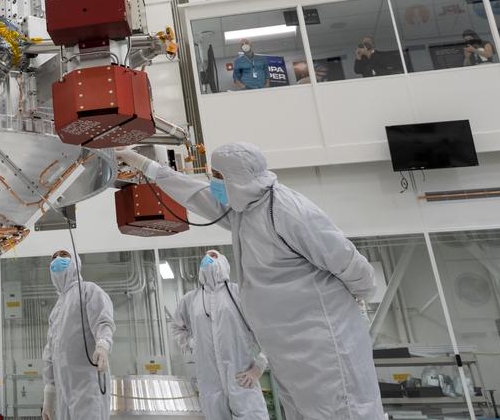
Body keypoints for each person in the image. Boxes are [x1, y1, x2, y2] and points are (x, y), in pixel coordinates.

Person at [119, 143, 382, 419]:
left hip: (324, 344)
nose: (214, 182)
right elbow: (192, 192)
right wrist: (142, 163)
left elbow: (346, 259)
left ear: (238, 177)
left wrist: (356, 301)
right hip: (287, 349)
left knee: (342, 411)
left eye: (218, 176)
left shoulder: (287, 211)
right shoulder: (243, 210)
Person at [172, 249, 268, 420]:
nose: (208, 258)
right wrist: (193, 343)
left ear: (223, 262)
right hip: (210, 383)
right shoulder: (191, 300)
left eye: (214, 255)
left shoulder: (239, 294)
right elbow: (177, 328)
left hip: (241, 378)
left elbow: (267, 330)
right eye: (206, 256)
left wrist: (259, 367)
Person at [41, 250, 114, 420]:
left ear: (75, 262)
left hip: (88, 385)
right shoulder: (56, 310)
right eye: (54, 258)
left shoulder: (89, 291)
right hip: (63, 390)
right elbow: (50, 353)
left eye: (64, 256)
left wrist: (103, 346)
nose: (58, 259)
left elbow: (103, 322)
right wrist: (49, 394)